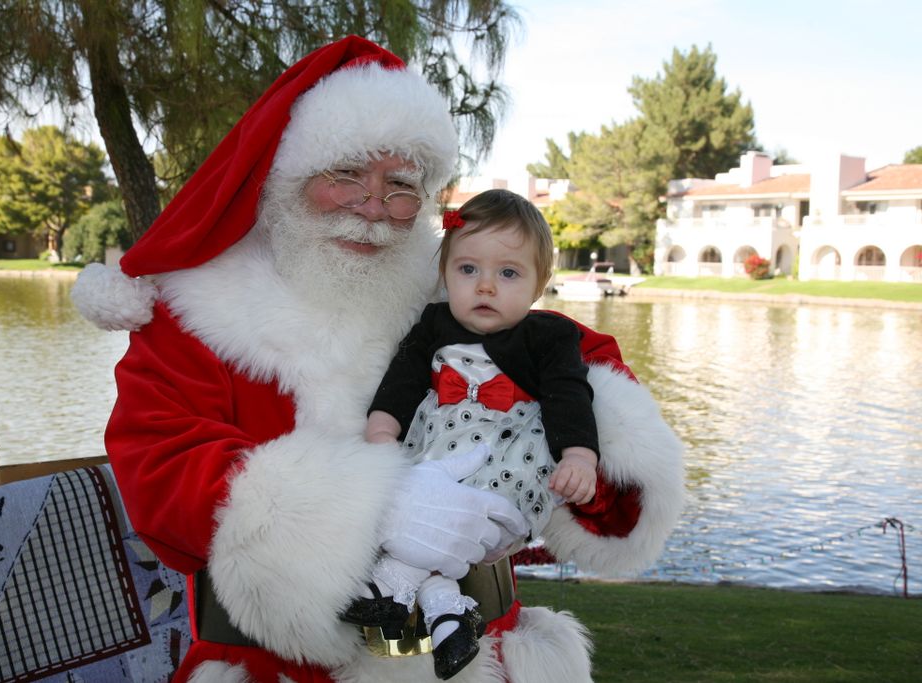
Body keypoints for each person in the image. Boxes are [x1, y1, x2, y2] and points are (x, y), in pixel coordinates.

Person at [72, 35, 685, 683]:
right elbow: (160, 466)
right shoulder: (194, 315)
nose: (373, 206)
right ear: (286, 177)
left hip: (487, 659)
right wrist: (374, 505)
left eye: (399, 184)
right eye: (344, 174)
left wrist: (536, 475)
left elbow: (580, 380)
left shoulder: (455, 290)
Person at [349, 189, 601, 678]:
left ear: (538, 283)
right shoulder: (432, 324)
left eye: (507, 273)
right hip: (437, 450)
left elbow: (570, 395)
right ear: (445, 274)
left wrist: (579, 456)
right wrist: (382, 428)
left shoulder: (547, 336)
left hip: (506, 461)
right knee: (418, 511)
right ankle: (450, 616)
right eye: (468, 270)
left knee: (427, 529)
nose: (485, 287)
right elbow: (401, 380)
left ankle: (390, 585)